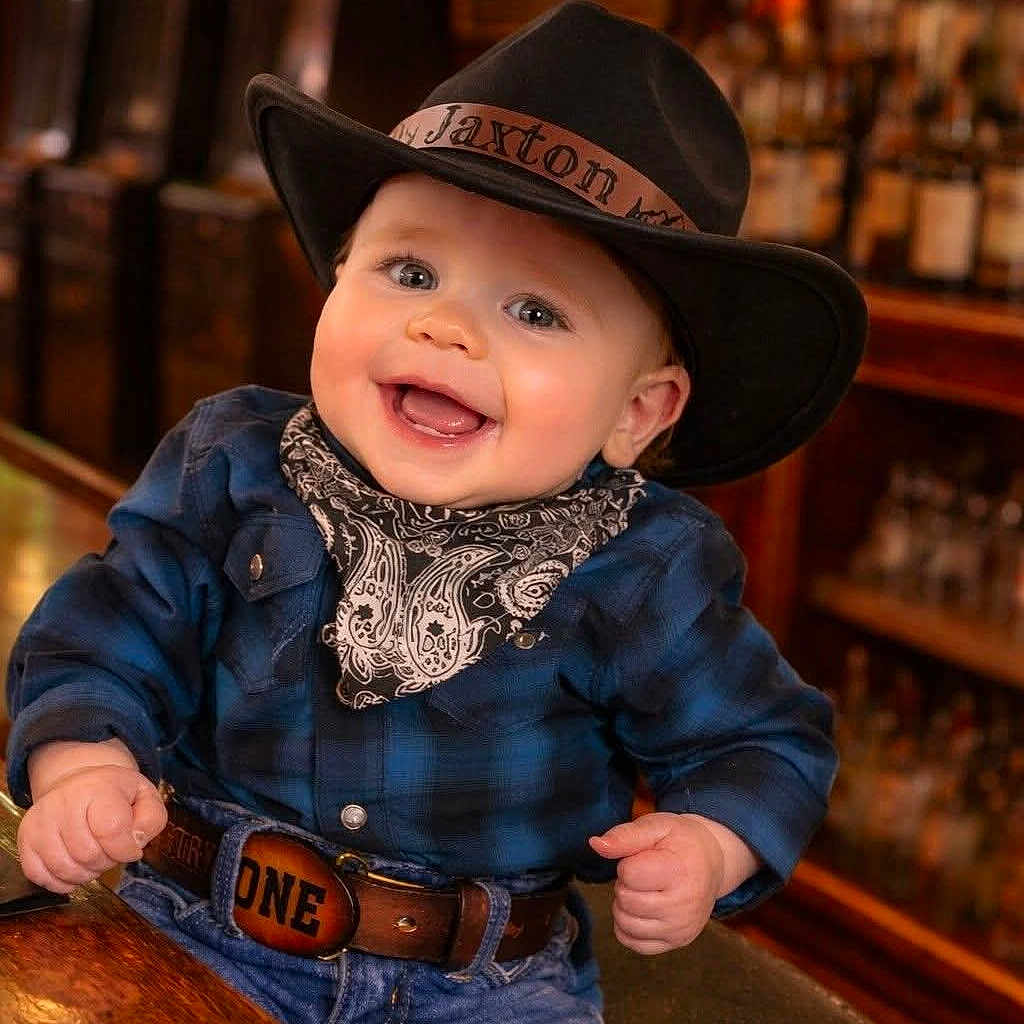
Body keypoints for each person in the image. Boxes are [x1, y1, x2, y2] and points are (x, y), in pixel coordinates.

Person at [5, 4, 866, 1022]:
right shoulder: (234, 465)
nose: (445, 326)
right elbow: (107, 629)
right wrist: (84, 761)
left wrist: (711, 842)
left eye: (536, 312)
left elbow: (763, 742)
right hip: (200, 919)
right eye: (410, 272)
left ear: (637, 412)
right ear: (335, 283)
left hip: (486, 985)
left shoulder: (645, 566)